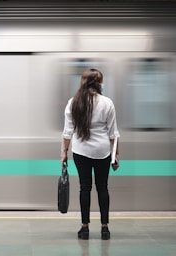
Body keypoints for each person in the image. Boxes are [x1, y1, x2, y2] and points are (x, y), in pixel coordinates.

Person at [61, 68, 120, 240]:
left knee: (84, 188)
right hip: (102, 151)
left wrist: (64, 152)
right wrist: (116, 154)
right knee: (103, 188)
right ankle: (105, 229)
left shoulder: (73, 102)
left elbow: (67, 132)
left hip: (81, 151)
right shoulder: (107, 103)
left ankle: (85, 228)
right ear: (99, 83)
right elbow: (113, 133)